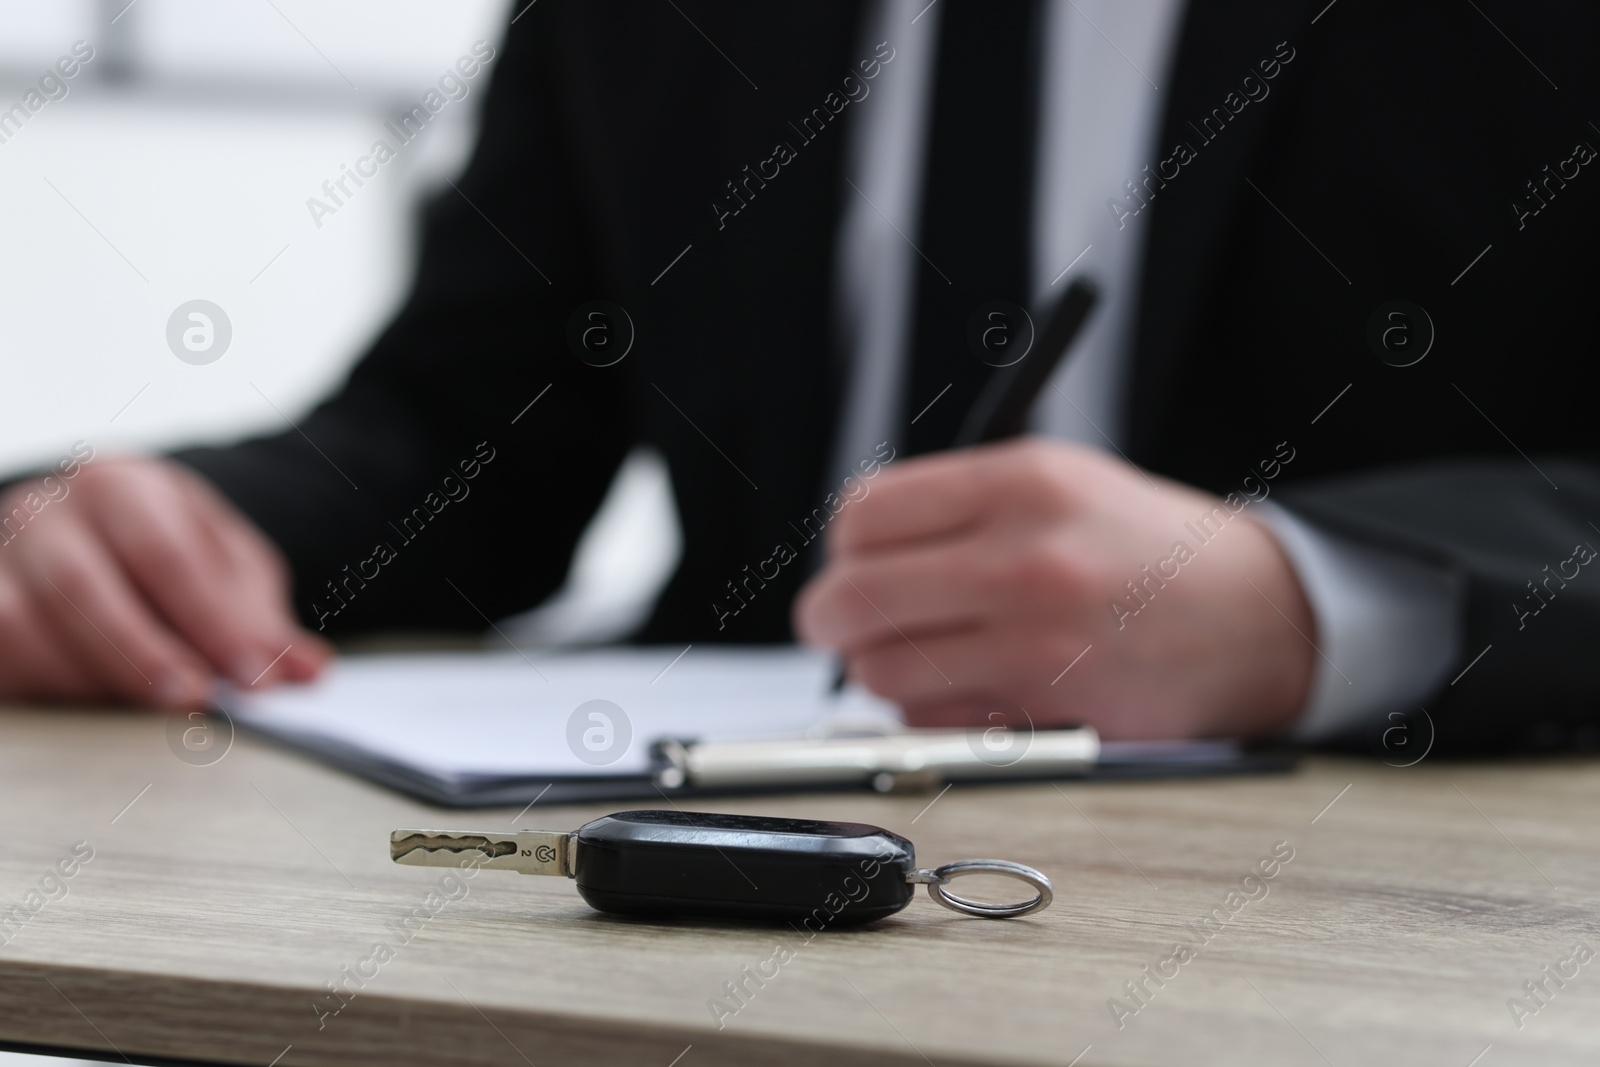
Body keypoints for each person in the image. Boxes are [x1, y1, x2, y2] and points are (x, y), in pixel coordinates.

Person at [1, 0, 1596, 752]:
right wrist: (162, 527)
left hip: (1356, 919)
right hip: (714, 856)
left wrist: (1313, 608)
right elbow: (468, 424)